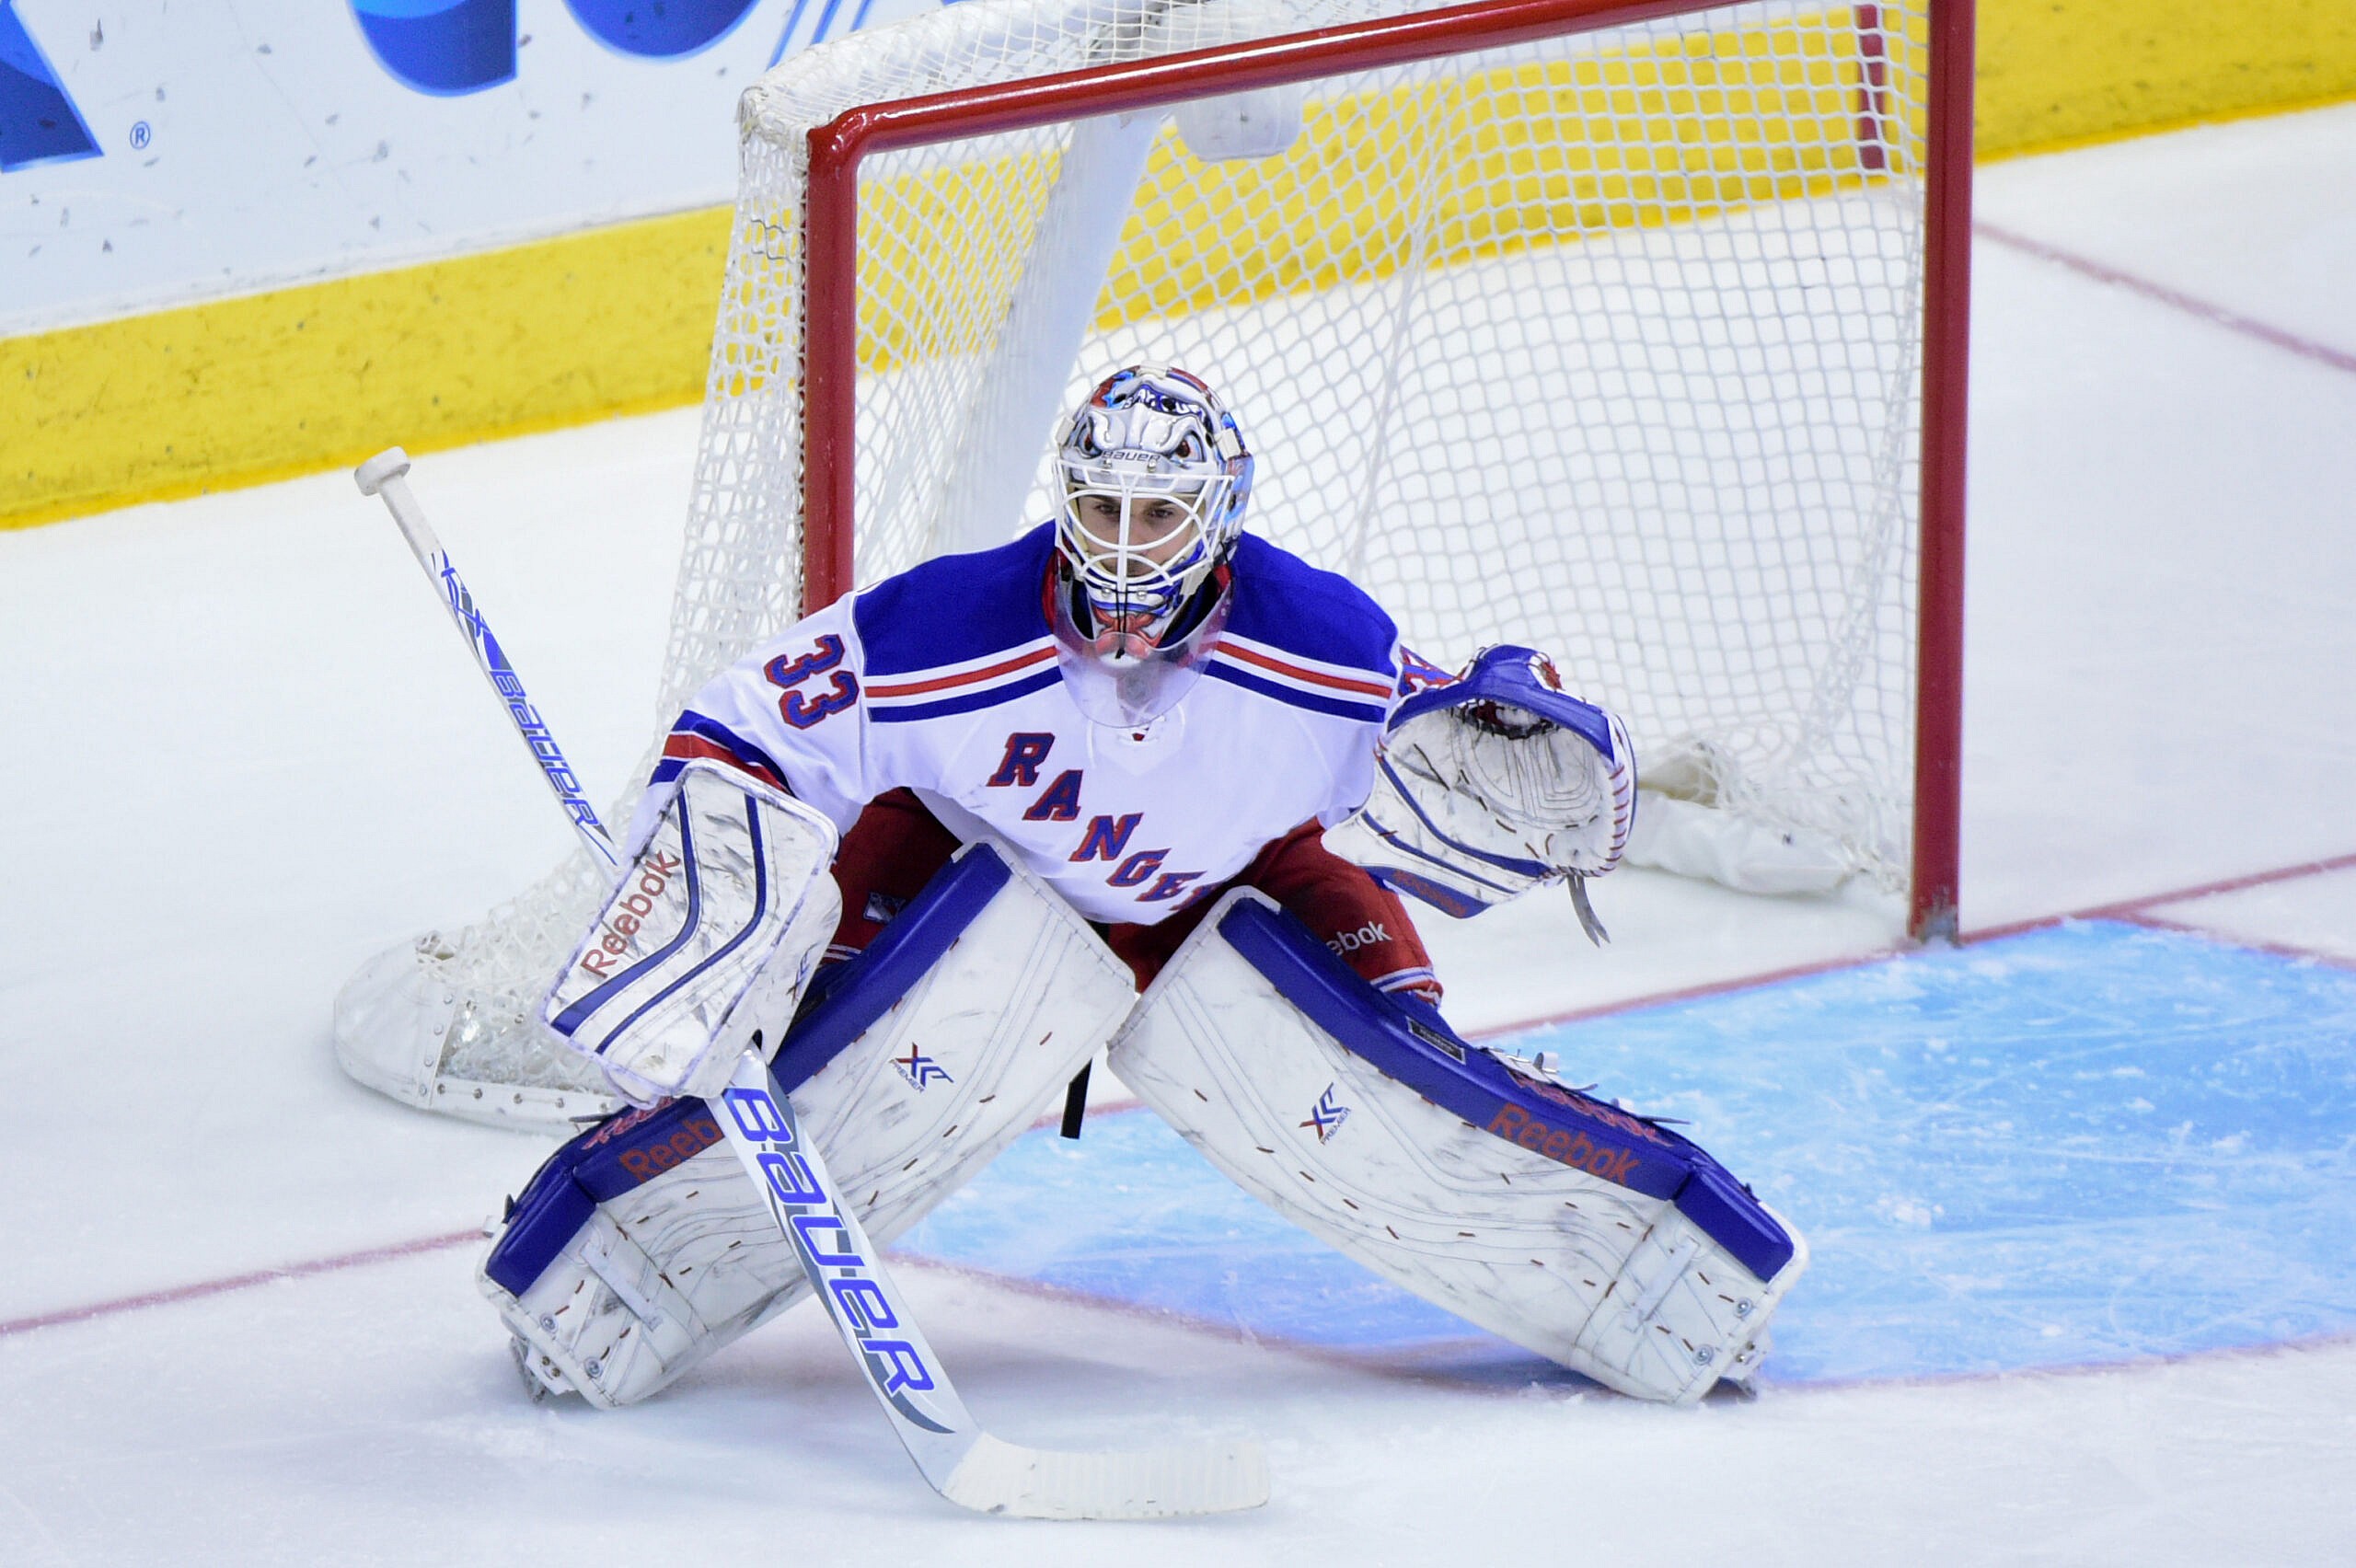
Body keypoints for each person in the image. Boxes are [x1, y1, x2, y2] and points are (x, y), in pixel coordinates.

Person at [477, 367, 1796, 1411]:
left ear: (1217, 516)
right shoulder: (940, 626)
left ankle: (1657, 1262)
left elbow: (1429, 766)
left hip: (1225, 886)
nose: (1119, 544)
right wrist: (720, 899)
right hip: (959, 862)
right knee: (820, 1099)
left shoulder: (1324, 644)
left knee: (1416, 1105)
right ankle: (602, 1246)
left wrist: (1491, 738)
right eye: (1098, 509)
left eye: (1155, 514)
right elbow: (746, 725)